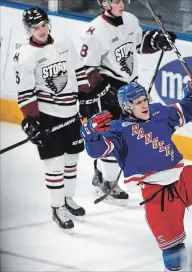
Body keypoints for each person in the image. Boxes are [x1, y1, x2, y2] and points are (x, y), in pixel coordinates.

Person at [80, 78, 192, 270]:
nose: (144, 105)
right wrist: (90, 134)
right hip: (156, 197)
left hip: (182, 181)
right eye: (138, 102)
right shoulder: (118, 130)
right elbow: (97, 150)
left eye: (145, 100)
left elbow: (185, 110)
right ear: (127, 107)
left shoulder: (159, 113)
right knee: (174, 255)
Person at [78, 0, 177, 205]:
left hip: (130, 86)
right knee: (114, 136)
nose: (121, 4)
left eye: (123, 0)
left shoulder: (131, 20)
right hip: (108, 89)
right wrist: (105, 90)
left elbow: (140, 44)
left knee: (136, 134)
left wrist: (158, 40)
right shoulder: (94, 31)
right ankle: (107, 181)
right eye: (116, 1)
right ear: (105, 3)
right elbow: (87, 69)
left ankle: (110, 177)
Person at [12, 6, 96, 231]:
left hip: (70, 112)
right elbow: (26, 92)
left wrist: (86, 98)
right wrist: (31, 120)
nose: (40, 30)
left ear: (49, 24)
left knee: (71, 161)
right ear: (28, 30)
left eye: (43, 25)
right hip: (49, 116)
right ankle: (57, 206)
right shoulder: (25, 56)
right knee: (54, 164)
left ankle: (68, 199)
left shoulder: (64, 42)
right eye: (35, 27)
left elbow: (78, 71)